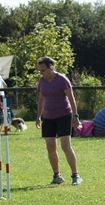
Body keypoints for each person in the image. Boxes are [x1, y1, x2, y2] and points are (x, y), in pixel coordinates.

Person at [35, 56, 83, 186]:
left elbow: (71, 98)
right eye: (39, 71)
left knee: (65, 145)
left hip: (64, 115)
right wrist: (38, 116)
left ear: (51, 67)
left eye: (43, 70)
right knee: (50, 146)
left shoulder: (62, 80)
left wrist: (75, 116)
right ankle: (57, 175)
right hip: (48, 117)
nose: (41, 73)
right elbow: (41, 99)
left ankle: (75, 175)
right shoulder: (42, 81)